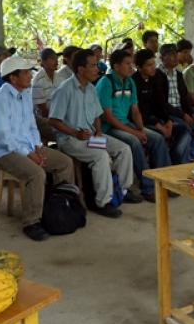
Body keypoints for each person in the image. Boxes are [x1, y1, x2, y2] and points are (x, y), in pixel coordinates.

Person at [0, 54, 75, 241]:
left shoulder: (25, 94)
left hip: (28, 147)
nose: (30, 76)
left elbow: (32, 126)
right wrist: (29, 154)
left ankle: (59, 207)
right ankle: (31, 222)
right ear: (13, 78)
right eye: (25, 73)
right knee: (36, 173)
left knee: (64, 163)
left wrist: (38, 147)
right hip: (4, 152)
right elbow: (3, 137)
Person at [49, 49, 134, 218]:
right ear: (81, 69)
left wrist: (99, 133)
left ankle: (122, 191)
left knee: (124, 149)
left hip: (90, 137)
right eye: (93, 65)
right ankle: (103, 202)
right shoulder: (65, 89)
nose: (98, 69)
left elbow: (96, 115)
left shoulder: (91, 88)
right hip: (71, 139)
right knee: (100, 156)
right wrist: (75, 133)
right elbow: (54, 121)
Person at [96, 49, 170, 202]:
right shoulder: (106, 82)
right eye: (127, 64)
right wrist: (136, 133)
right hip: (108, 128)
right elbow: (108, 117)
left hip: (126, 124)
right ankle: (148, 188)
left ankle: (165, 182)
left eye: (131, 64)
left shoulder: (129, 82)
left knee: (157, 138)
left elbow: (135, 110)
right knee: (134, 142)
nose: (131, 67)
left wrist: (141, 129)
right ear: (116, 66)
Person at [158, 43, 194, 162]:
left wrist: (191, 114)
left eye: (176, 54)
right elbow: (162, 104)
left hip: (181, 113)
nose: (175, 57)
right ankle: (178, 159)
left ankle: (189, 156)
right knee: (186, 128)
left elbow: (184, 97)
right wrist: (183, 116)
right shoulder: (157, 75)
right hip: (167, 115)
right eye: (171, 55)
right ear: (162, 58)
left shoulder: (178, 74)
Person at [31, 48, 62, 143]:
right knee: (66, 134)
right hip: (44, 119)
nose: (56, 62)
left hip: (59, 116)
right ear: (43, 62)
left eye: (56, 59)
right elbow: (43, 110)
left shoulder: (59, 77)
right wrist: (59, 121)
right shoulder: (38, 80)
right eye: (52, 59)